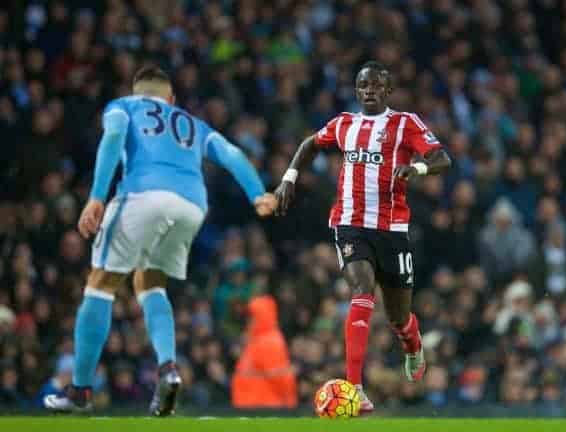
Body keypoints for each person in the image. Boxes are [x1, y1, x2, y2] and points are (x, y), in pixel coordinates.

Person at [43, 66, 277, 415]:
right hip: (192, 204)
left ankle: (80, 390)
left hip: (143, 194)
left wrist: (96, 196)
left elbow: (111, 140)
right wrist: (258, 193)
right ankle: (168, 368)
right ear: (171, 99)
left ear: (138, 92)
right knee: (150, 282)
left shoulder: (124, 106)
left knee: (100, 284)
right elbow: (230, 152)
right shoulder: (192, 124)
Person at [274, 61, 451, 413]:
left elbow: (441, 158)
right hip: (350, 222)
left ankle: (413, 346)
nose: (368, 90)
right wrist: (289, 178)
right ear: (356, 90)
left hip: (392, 229)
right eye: (362, 85)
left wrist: (415, 168)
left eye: (375, 85)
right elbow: (310, 143)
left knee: (399, 316)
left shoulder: (405, 124)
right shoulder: (344, 124)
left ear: (388, 90)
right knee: (361, 289)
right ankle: (355, 387)